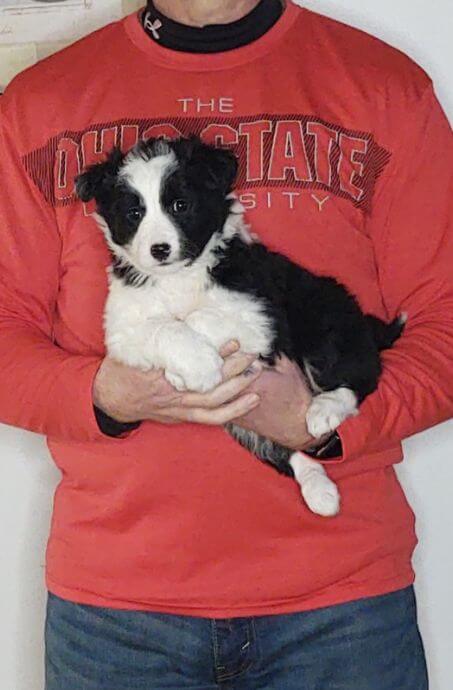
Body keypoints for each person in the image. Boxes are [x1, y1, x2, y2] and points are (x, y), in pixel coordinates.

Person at [0, 0, 451, 687]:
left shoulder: (382, 86)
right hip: (116, 617)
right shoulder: (39, 103)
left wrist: (322, 427)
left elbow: (444, 321)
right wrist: (102, 394)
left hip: (341, 608)